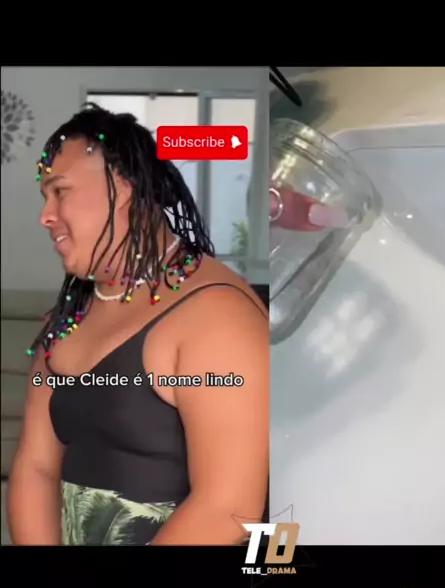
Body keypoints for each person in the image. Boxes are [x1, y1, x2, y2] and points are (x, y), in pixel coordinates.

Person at [7, 104, 269, 546]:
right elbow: (36, 467)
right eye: (44, 197)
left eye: (60, 191)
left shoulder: (219, 317)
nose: (45, 216)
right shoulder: (69, 316)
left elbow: (228, 508)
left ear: (122, 186)